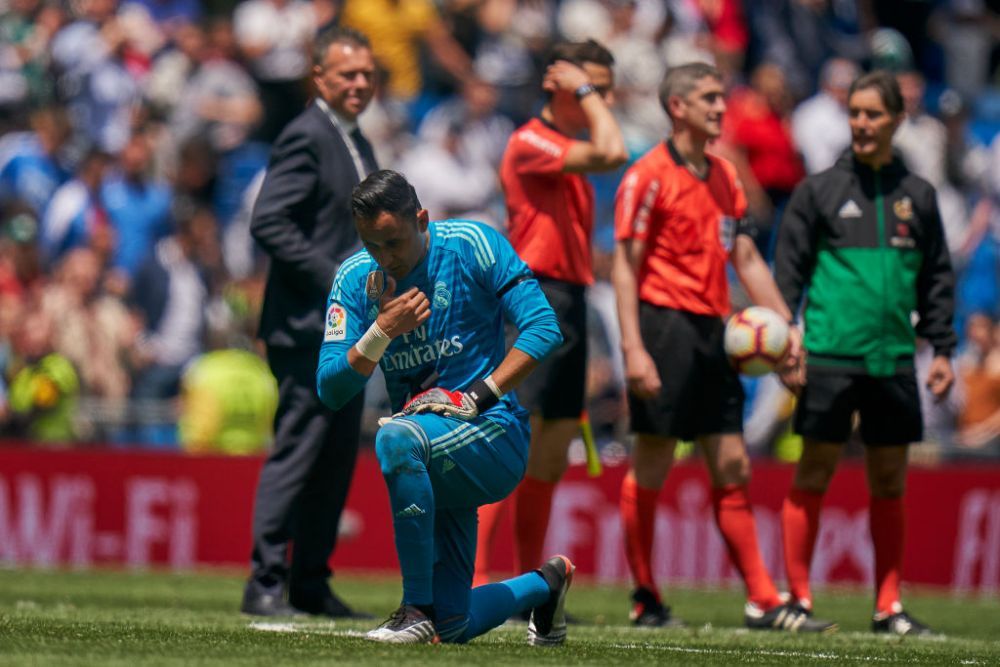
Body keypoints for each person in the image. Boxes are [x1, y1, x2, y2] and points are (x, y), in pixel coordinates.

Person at [611, 62, 834, 632]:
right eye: (709, 98)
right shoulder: (646, 176)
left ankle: (762, 599)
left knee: (732, 462)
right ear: (677, 107)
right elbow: (625, 267)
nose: (720, 107)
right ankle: (645, 596)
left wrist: (787, 326)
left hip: (715, 331)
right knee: (654, 459)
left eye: (721, 97)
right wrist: (633, 348)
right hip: (663, 328)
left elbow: (747, 258)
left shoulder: (727, 176)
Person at [316, 170, 570, 644]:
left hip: (493, 431)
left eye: (394, 242)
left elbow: (544, 327)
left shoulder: (472, 243)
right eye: (372, 245)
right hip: (430, 451)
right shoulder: (354, 278)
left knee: (395, 437)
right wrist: (380, 333)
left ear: (422, 219)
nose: (385, 258)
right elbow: (330, 389)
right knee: (453, 626)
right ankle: (546, 585)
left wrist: (476, 396)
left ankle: (416, 609)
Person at [775, 70, 957, 636]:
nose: (860, 123)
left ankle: (888, 606)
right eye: (854, 112)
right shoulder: (818, 190)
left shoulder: (918, 195)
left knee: (890, 482)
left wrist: (943, 349)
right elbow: (788, 274)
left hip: (893, 358)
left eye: (872, 113)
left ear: (897, 119)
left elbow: (936, 278)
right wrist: (787, 339)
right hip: (829, 354)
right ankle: (798, 599)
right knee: (813, 470)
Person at [474, 38, 627, 588]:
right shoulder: (530, 140)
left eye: (605, 91)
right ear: (558, 86)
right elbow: (614, 151)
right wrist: (585, 91)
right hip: (535, 298)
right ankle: (475, 580)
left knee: (551, 451)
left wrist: (584, 92)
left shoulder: (566, 150)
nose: (602, 102)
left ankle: (527, 584)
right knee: (511, 442)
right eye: (594, 89)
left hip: (571, 300)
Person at [241, 26, 378, 618]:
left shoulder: (353, 137)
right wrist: (337, 278)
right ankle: (266, 582)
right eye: (348, 74)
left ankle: (311, 582)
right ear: (318, 76)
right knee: (300, 451)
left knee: (335, 458)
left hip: (346, 331)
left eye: (367, 73)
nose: (360, 83)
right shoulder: (307, 134)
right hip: (306, 325)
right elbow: (269, 221)